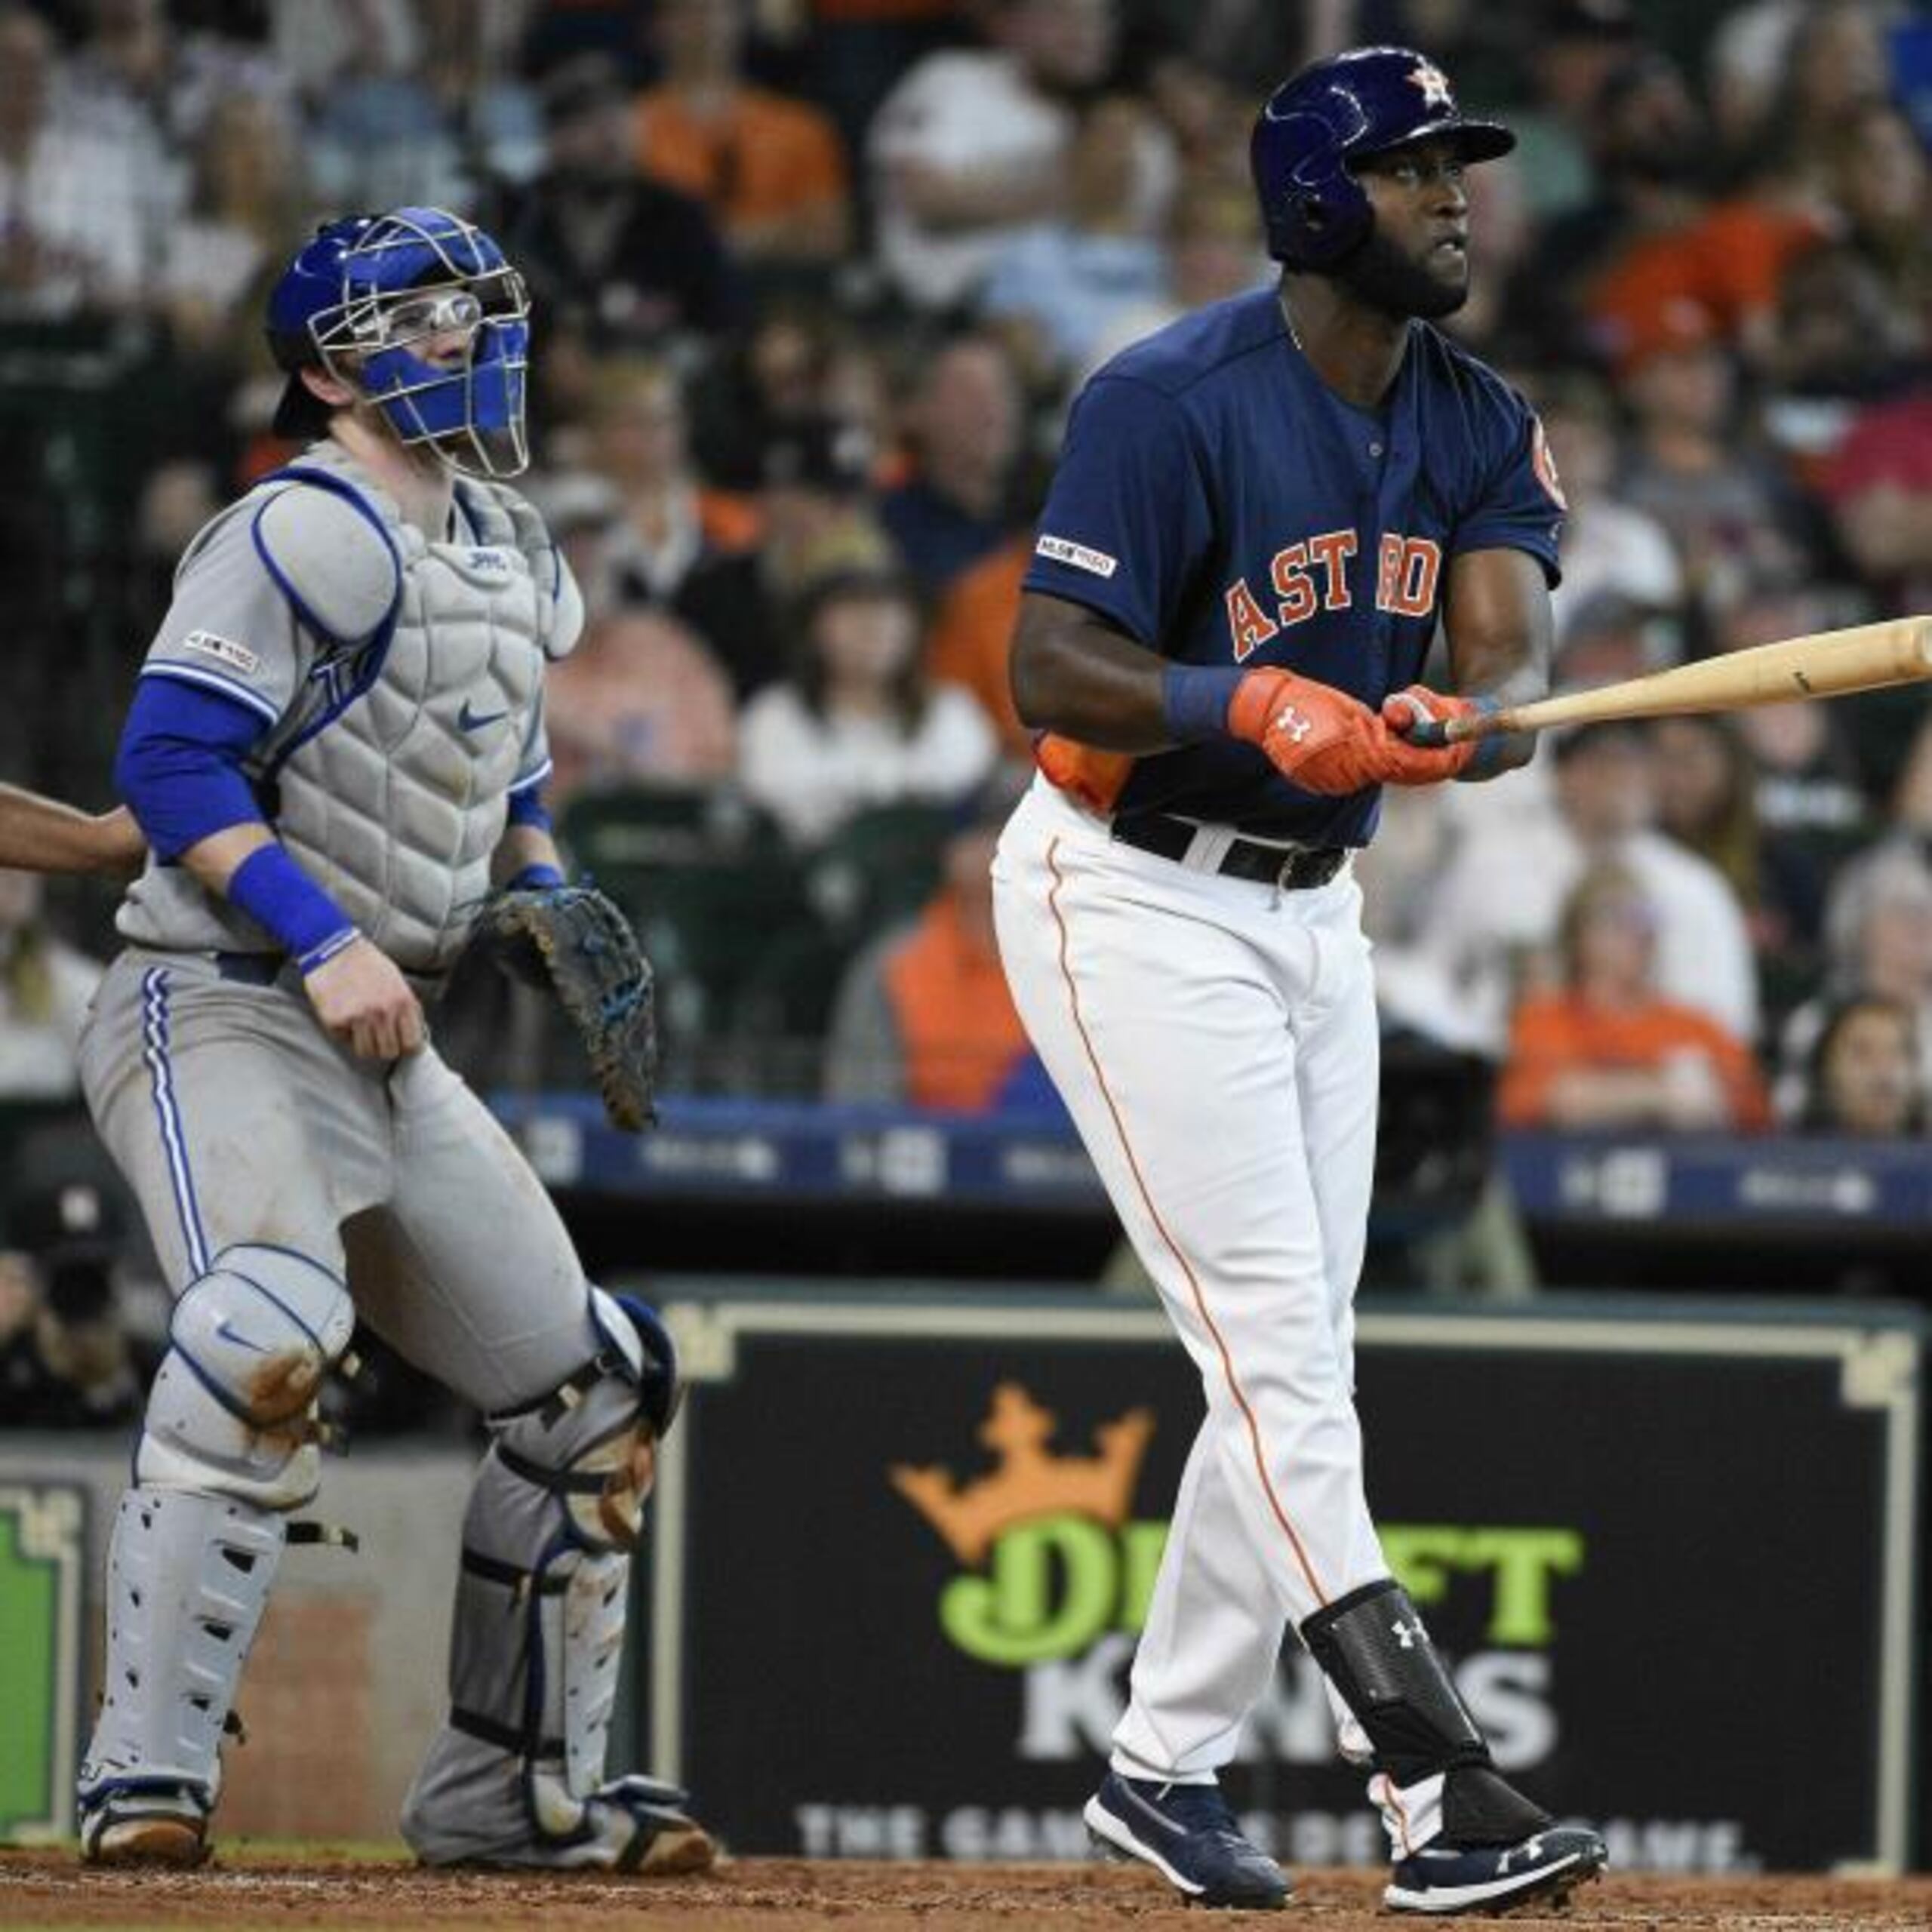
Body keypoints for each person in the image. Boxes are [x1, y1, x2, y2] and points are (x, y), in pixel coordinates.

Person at [990, 48, 1607, 1914]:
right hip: (1129, 893)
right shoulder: (1166, 397)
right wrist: (1239, 694)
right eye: (1415, 169)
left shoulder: (1477, 413)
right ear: (1317, 201)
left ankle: (1158, 1766)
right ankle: (1434, 1778)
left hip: (1306, 915)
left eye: (1456, 169)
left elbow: (1496, 648)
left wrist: (1454, 718)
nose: (1453, 197)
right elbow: (1048, 660)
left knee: (1282, 1365)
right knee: (1269, 1349)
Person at [66, 206, 712, 1880]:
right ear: (321, 369)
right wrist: (329, 932)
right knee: (263, 1332)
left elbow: (495, 765)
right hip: (212, 996)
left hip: (392, 1031)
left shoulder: (503, 541)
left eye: (471, 310)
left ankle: (506, 1797)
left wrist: (545, 884)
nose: (459, 340)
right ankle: (144, 1779)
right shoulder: (292, 524)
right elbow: (171, 763)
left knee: (593, 1392)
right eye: (414, 321)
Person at [1497, 862, 1770, 1131]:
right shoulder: (1544, 1019)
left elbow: (1753, 1102)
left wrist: (1604, 1095)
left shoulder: (1692, 1025)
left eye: (1646, 917)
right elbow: (1531, 1101)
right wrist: (1660, 1094)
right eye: (1619, 918)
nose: (1640, 932)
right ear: (1580, 934)